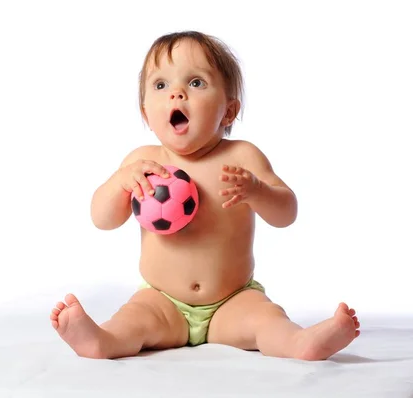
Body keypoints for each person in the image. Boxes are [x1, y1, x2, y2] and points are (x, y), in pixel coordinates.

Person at [50, 30, 360, 360]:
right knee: (134, 321)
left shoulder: (242, 157)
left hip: (232, 299)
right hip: (162, 300)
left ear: (228, 111)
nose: (177, 95)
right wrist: (121, 183)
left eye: (196, 83)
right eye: (161, 85)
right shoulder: (141, 163)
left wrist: (257, 191)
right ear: (145, 114)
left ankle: (299, 343)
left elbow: (287, 213)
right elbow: (102, 219)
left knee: (265, 321)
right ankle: (102, 340)